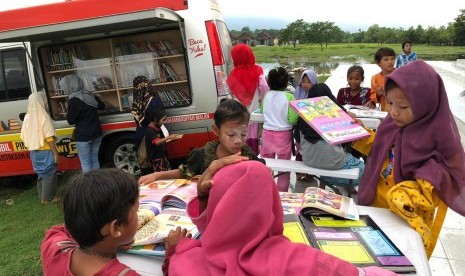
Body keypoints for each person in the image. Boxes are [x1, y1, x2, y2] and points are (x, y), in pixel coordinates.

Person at [162, 160, 397, 275]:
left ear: (213, 206)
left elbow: (171, 268)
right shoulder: (298, 260)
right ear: (272, 205)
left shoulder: (186, 261)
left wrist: (174, 250)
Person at [353, 60, 465, 258]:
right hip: (376, 207)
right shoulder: (392, 125)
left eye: (403, 106)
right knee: (371, 258)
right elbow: (377, 147)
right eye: (390, 103)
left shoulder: (437, 139)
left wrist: (413, 191)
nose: (393, 111)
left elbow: (440, 184)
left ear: (425, 105)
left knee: (398, 262)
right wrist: (356, 133)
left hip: (406, 220)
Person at [138, 99, 264, 185]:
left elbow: (259, 172)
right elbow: (184, 173)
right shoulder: (203, 154)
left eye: (243, 134)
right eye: (231, 134)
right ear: (216, 130)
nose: (238, 141)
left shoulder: (247, 154)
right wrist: (157, 176)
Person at [41, 168, 140, 275]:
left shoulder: (54, 250)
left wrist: (109, 241)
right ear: (116, 228)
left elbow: (57, 231)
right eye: (137, 210)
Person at [296, 75, 365, 193]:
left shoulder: (303, 114)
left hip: (309, 159)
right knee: (362, 169)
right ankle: (339, 183)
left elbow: (297, 137)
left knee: (330, 155)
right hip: (333, 161)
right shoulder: (336, 113)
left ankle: (325, 182)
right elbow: (348, 139)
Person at [226, 44, 270, 155]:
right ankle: (252, 157)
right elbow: (264, 86)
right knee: (252, 136)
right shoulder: (258, 70)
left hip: (238, 111)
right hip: (254, 109)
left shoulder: (233, 74)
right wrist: (261, 100)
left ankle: (241, 158)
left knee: (239, 136)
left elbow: (229, 92)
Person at [260, 67, 299, 192]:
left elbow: (262, 110)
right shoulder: (290, 97)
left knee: (267, 167)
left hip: (266, 135)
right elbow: (293, 119)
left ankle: (267, 191)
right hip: (283, 137)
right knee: (283, 169)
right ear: (286, 82)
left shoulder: (266, 96)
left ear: (269, 82)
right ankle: (282, 196)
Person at [20, 92, 59, 204]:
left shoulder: (27, 117)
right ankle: (48, 198)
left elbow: (23, 136)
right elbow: (49, 138)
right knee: (50, 174)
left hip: (34, 152)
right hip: (46, 151)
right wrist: (55, 153)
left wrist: (33, 144)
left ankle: (43, 197)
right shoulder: (43, 116)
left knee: (41, 175)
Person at [62, 74, 105, 173]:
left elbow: (70, 121)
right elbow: (102, 106)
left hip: (83, 136)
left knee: (85, 163)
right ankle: (98, 183)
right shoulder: (90, 95)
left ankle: (89, 186)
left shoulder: (73, 101)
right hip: (96, 133)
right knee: (94, 160)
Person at [292, 69, 317, 181]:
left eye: (309, 81)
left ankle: (310, 174)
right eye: (303, 81)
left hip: (311, 129)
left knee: (310, 151)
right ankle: (299, 173)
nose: (305, 84)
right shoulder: (298, 92)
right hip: (299, 128)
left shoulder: (317, 94)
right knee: (299, 149)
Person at [131, 75, 165, 149]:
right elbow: (160, 115)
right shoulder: (154, 99)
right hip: (154, 134)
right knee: (157, 157)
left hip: (140, 134)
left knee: (144, 158)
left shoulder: (136, 102)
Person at [144, 108, 181, 173]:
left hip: (163, 157)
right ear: (155, 119)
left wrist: (172, 139)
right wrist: (169, 137)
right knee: (161, 178)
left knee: (168, 174)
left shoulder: (158, 128)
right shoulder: (150, 130)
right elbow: (157, 142)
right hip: (156, 159)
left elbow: (162, 140)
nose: (164, 122)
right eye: (163, 120)